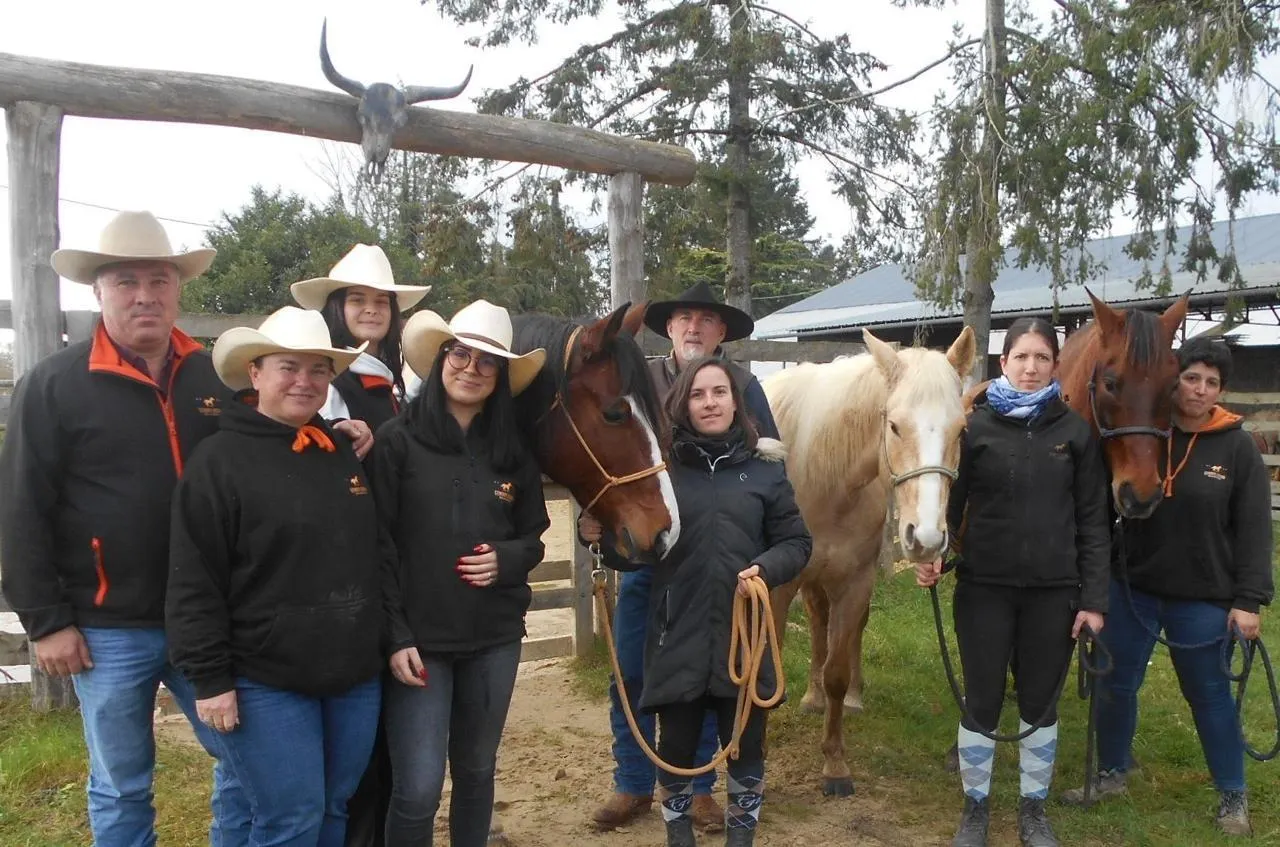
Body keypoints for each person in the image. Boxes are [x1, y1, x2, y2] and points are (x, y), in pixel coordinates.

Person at [0, 210, 250, 846]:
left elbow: (267, 452)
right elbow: (21, 507)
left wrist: (336, 436)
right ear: (98, 291)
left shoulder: (216, 378)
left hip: (208, 617)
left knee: (246, 761)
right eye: (126, 281)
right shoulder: (53, 385)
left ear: (177, 289)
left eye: (159, 280)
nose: (145, 295)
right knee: (121, 782)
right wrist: (46, 621)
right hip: (107, 626)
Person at [167, 306, 384, 846]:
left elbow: (373, 552)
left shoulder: (340, 453)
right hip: (263, 675)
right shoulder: (219, 461)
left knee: (334, 805)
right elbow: (195, 579)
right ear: (255, 373)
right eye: (289, 367)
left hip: (352, 671)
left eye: (318, 370)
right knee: (290, 817)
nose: (304, 381)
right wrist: (211, 680)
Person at [583, 356, 811, 847]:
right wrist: (600, 540)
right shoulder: (661, 473)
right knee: (676, 748)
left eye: (719, 392)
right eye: (698, 394)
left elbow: (796, 542)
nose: (710, 403)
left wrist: (765, 569)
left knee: (746, 749)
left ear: (736, 402)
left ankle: (741, 840)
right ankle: (678, 838)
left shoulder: (765, 471)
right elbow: (637, 551)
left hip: (743, 635)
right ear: (682, 404)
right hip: (676, 632)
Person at [1064, 337, 1273, 837]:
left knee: (1209, 695)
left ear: (1220, 390)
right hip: (1134, 586)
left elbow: (1254, 531)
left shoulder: (1237, 447)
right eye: (1191, 378)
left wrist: (1248, 601)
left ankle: (1232, 794)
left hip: (1203, 596)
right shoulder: (1148, 434)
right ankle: (1112, 772)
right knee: (1115, 685)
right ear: (1173, 382)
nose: (1200, 390)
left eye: (1211, 383)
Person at [917, 317, 1109, 847]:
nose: (1030, 367)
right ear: (1003, 363)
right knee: (980, 701)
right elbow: (950, 505)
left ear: (1055, 366)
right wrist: (933, 556)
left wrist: (1094, 600)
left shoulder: (1075, 434)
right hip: (984, 589)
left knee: (1040, 705)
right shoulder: (973, 429)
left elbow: (1094, 521)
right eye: (1021, 357)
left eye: (1041, 358)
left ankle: (1033, 810)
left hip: (1055, 593)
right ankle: (975, 809)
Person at [372, 299, 550, 847]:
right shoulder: (396, 442)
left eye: (487, 361)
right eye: (460, 355)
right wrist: (395, 635)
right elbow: (377, 545)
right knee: (418, 789)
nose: (471, 369)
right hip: (419, 644)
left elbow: (533, 537)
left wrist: (508, 559)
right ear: (440, 359)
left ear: (500, 377)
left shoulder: (513, 453)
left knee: (476, 771)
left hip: (493, 637)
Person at [293, 242, 430, 847]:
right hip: (348, 554)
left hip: (389, 546)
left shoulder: (397, 378)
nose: (371, 309)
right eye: (358, 299)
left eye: (381, 301)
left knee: (383, 728)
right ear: (337, 307)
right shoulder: (328, 378)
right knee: (359, 737)